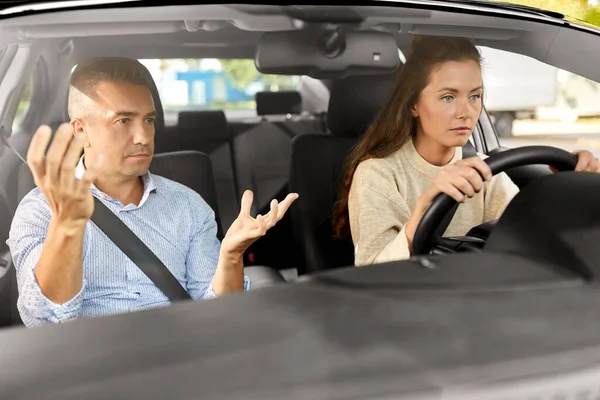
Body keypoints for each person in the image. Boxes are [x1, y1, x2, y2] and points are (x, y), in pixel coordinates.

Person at [7, 57, 298, 327]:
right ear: (80, 130)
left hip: (181, 355)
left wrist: (232, 257)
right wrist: (67, 227)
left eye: (149, 120)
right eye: (123, 120)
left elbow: (217, 314)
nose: (143, 137)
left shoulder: (188, 205)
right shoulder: (40, 211)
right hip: (89, 364)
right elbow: (42, 319)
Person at [332, 35, 600, 266]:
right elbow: (372, 276)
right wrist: (422, 211)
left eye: (474, 96)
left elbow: (527, 240)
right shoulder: (377, 174)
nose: (466, 112)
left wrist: (570, 188)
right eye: (448, 97)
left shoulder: (486, 170)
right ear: (413, 104)